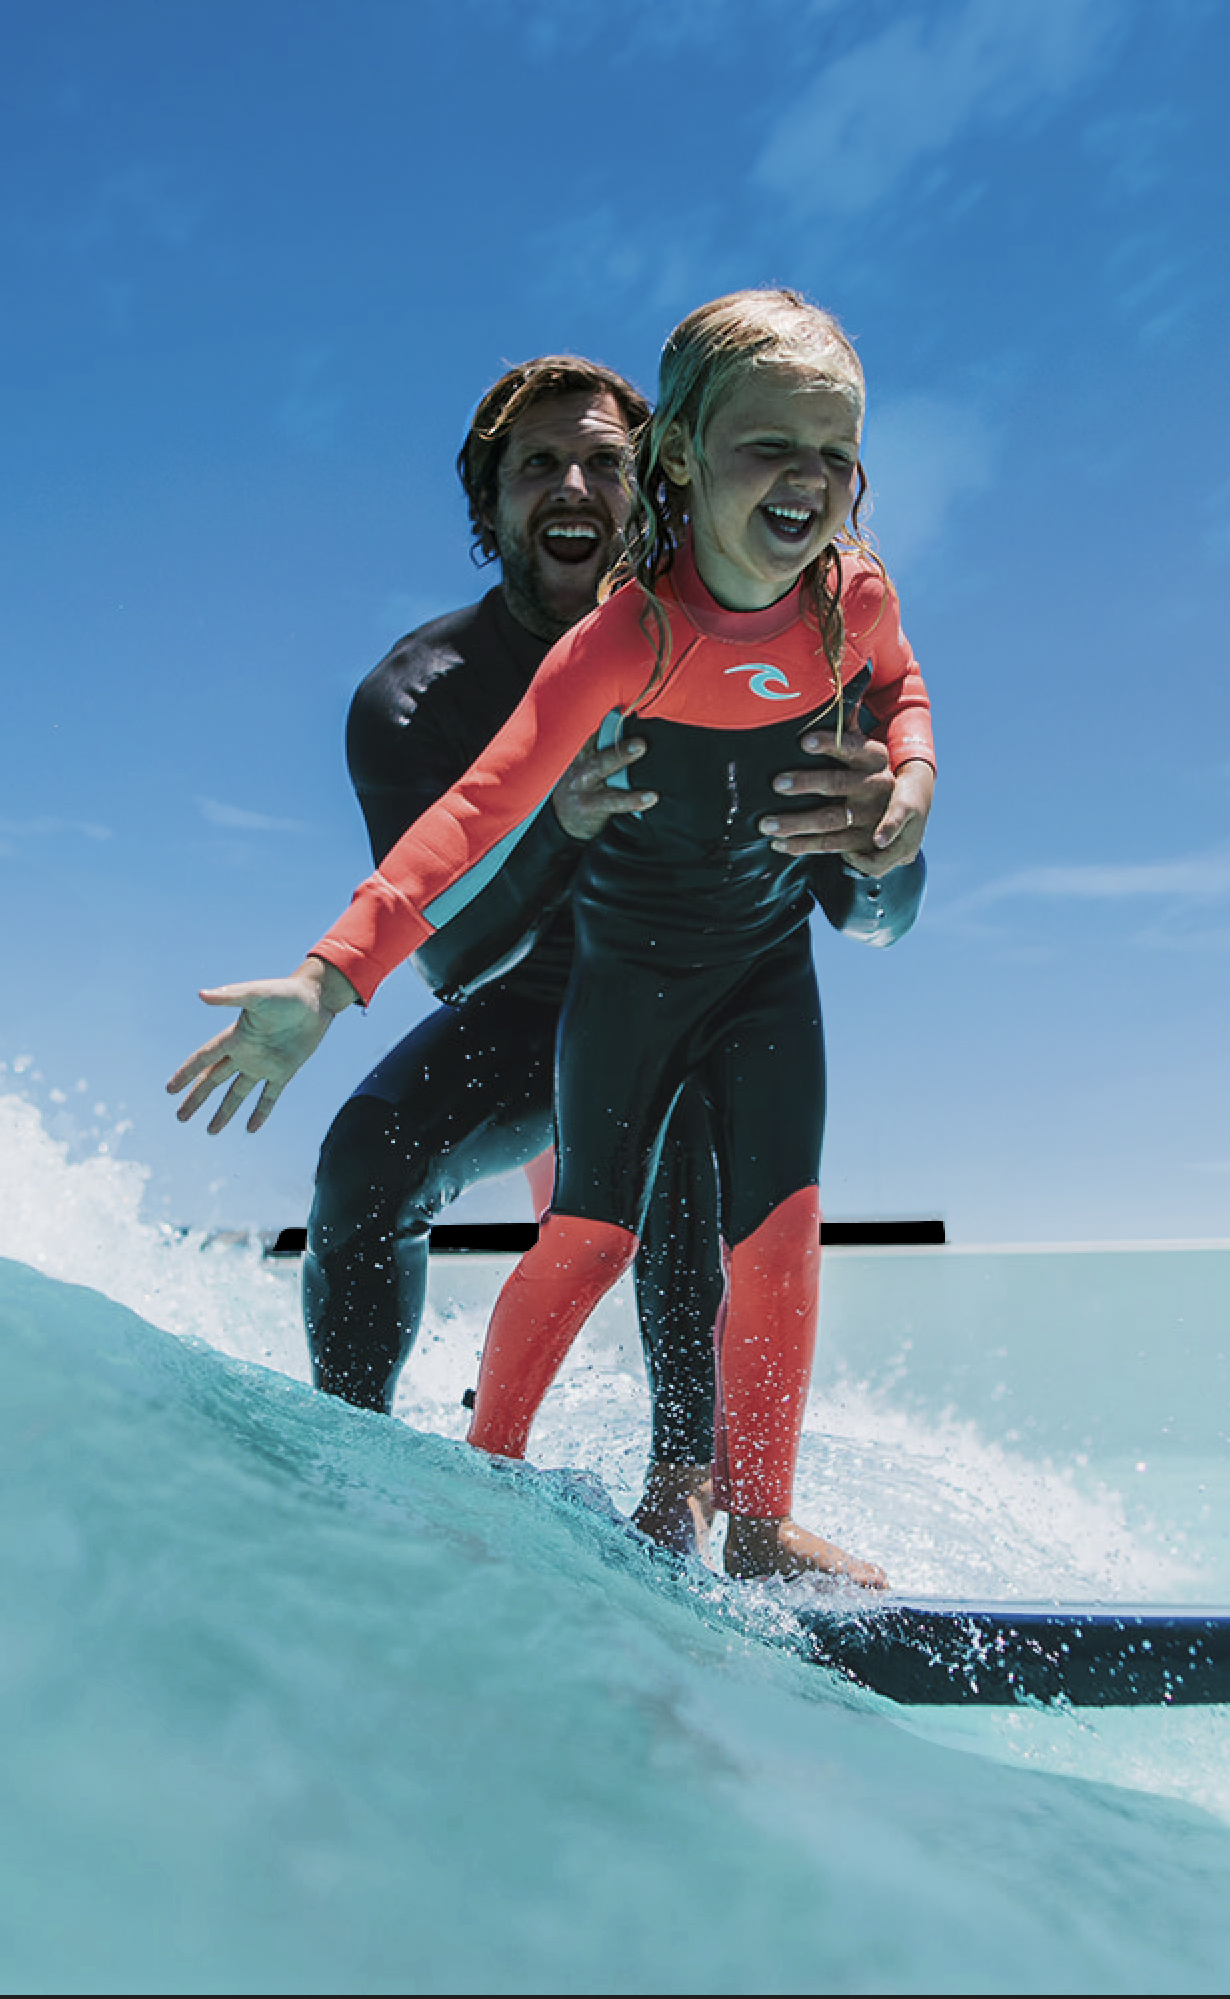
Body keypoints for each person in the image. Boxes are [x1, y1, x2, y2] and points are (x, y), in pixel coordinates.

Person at [173, 292, 931, 1586]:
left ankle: (703, 1494)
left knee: (741, 1178)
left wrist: (889, 830)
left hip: (733, 964)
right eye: (539, 466)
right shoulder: (451, 687)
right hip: (542, 993)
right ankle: (376, 1473)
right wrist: (536, 843)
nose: (575, 487)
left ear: (652, 475)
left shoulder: (820, 606)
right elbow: (456, 943)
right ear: (495, 503)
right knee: (391, 1166)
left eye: (601, 461)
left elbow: (877, 905)